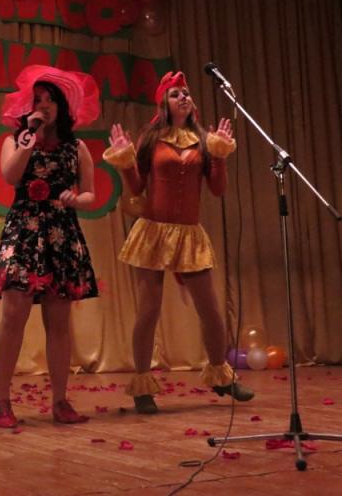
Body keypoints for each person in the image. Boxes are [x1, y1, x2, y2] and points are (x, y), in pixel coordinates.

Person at [103, 70, 254, 414]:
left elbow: (217, 189)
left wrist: (219, 155)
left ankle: (220, 375)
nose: (183, 96)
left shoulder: (203, 140)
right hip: (153, 232)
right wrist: (125, 161)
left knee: (211, 310)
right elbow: (137, 188)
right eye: (175, 93)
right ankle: (143, 387)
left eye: (186, 92)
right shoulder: (152, 138)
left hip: (189, 234)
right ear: (164, 103)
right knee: (149, 309)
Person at [0, 64, 101, 428]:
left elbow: (90, 193)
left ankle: (60, 401)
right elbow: (10, 176)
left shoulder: (76, 147)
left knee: (59, 321)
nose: (44, 105)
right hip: (24, 230)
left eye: (50, 100)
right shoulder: (15, 140)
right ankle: (2, 400)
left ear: (62, 106)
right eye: (37, 100)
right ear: (26, 106)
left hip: (61, 233)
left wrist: (77, 199)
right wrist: (28, 140)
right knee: (13, 314)